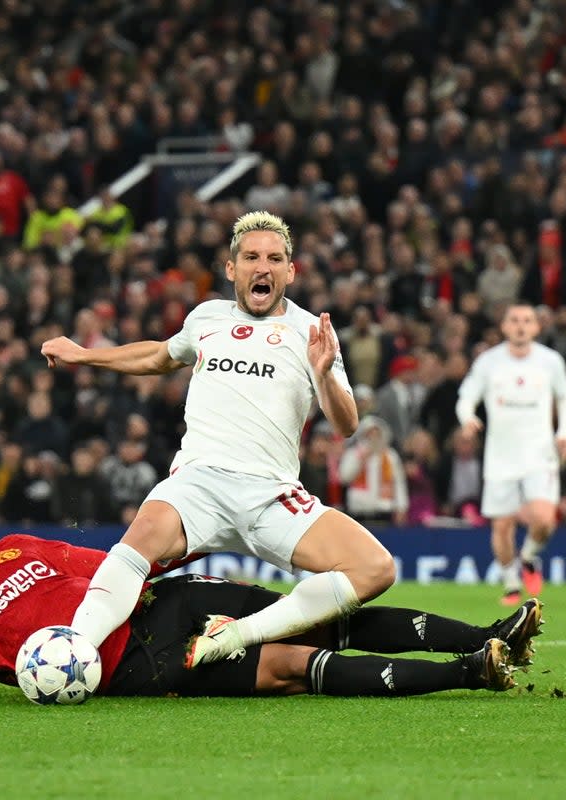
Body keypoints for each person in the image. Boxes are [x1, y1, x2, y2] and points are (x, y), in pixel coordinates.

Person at [40, 211, 395, 668]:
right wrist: (84, 355)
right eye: (250, 257)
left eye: (274, 258)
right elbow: (159, 356)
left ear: (291, 270)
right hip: (199, 484)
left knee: (376, 568)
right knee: (136, 543)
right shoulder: (206, 317)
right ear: (232, 269)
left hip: (272, 493)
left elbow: (345, 424)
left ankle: (236, 636)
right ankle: (71, 650)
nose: (262, 267)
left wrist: (324, 374)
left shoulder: (312, 333)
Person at [0, 501, 544, 702]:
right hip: (140, 661)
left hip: (166, 600)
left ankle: (493, 628)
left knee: (317, 608)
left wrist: (182, 547)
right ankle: (475, 670)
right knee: (294, 666)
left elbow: (115, 560)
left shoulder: (15, 546)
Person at [456, 304, 566, 605]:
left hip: (539, 453)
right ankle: (511, 585)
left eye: (527, 321)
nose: (520, 326)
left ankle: (529, 556)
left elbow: (565, 398)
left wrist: (564, 433)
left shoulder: (550, 361)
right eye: (514, 320)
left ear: (536, 327)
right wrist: (467, 418)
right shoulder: (488, 361)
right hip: (500, 456)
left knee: (544, 519)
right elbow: (466, 396)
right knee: (502, 524)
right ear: (504, 326)